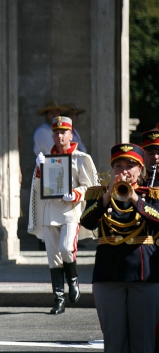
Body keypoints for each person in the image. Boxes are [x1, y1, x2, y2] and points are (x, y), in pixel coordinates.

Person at [80, 144, 159, 352]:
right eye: (118, 166)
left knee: (143, 341)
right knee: (114, 341)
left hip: (143, 275)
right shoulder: (100, 195)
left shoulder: (151, 195)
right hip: (109, 274)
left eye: (130, 166)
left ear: (140, 170)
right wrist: (107, 196)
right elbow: (87, 222)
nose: (123, 171)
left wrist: (135, 198)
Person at [28, 116, 98, 315]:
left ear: (70, 134)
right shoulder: (46, 157)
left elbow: (89, 186)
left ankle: (73, 280)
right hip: (50, 210)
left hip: (70, 210)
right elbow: (38, 187)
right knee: (53, 257)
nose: (59, 136)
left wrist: (76, 193)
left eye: (63, 132)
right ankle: (59, 299)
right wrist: (40, 170)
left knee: (67, 248)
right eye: (56, 132)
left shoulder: (80, 158)